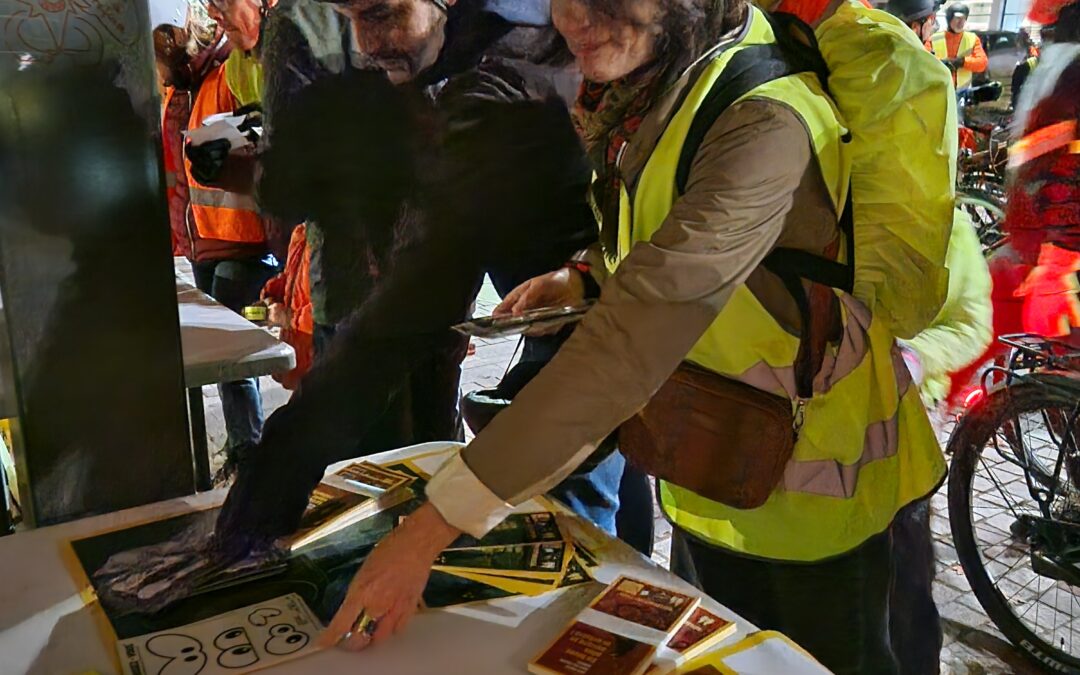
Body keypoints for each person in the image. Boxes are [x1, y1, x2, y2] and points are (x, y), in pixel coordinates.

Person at [313, 1, 949, 672]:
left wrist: (434, 522)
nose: (573, 18)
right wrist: (584, 278)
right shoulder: (670, 84)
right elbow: (665, 233)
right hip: (716, 472)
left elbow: (638, 332)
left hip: (825, 505)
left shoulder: (766, 116)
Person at [215, 0, 629, 548]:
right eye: (352, 19)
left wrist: (271, 483)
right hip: (589, 335)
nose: (365, 42)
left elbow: (417, 296)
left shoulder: (496, 81)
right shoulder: (467, 64)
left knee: (578, 530)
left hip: (615, 349)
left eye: (382, 15)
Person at [185, 0, 279, 476]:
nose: (215, 12)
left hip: (246, 243)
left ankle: (250, 451)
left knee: (235, 354)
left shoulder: (232, 71)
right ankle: (251, 451)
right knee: (231, 355)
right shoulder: (188, 86)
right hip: (207, 240)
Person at [152, 17, 230, 260]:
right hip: (192, 238)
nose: (159, 77)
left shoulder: (221, 76)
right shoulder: (176, 95)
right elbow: (176, 173)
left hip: (231, 237)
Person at [931, 3, 988, 94]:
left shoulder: (972, 39)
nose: (961, 22)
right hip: (938, 90)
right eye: (957, 18)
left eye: (964, 19)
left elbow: (982, 63)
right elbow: (924, 60)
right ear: (949, 19)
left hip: (962, 92)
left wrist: (963, 62)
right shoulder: (934, 39)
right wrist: (941, 63)